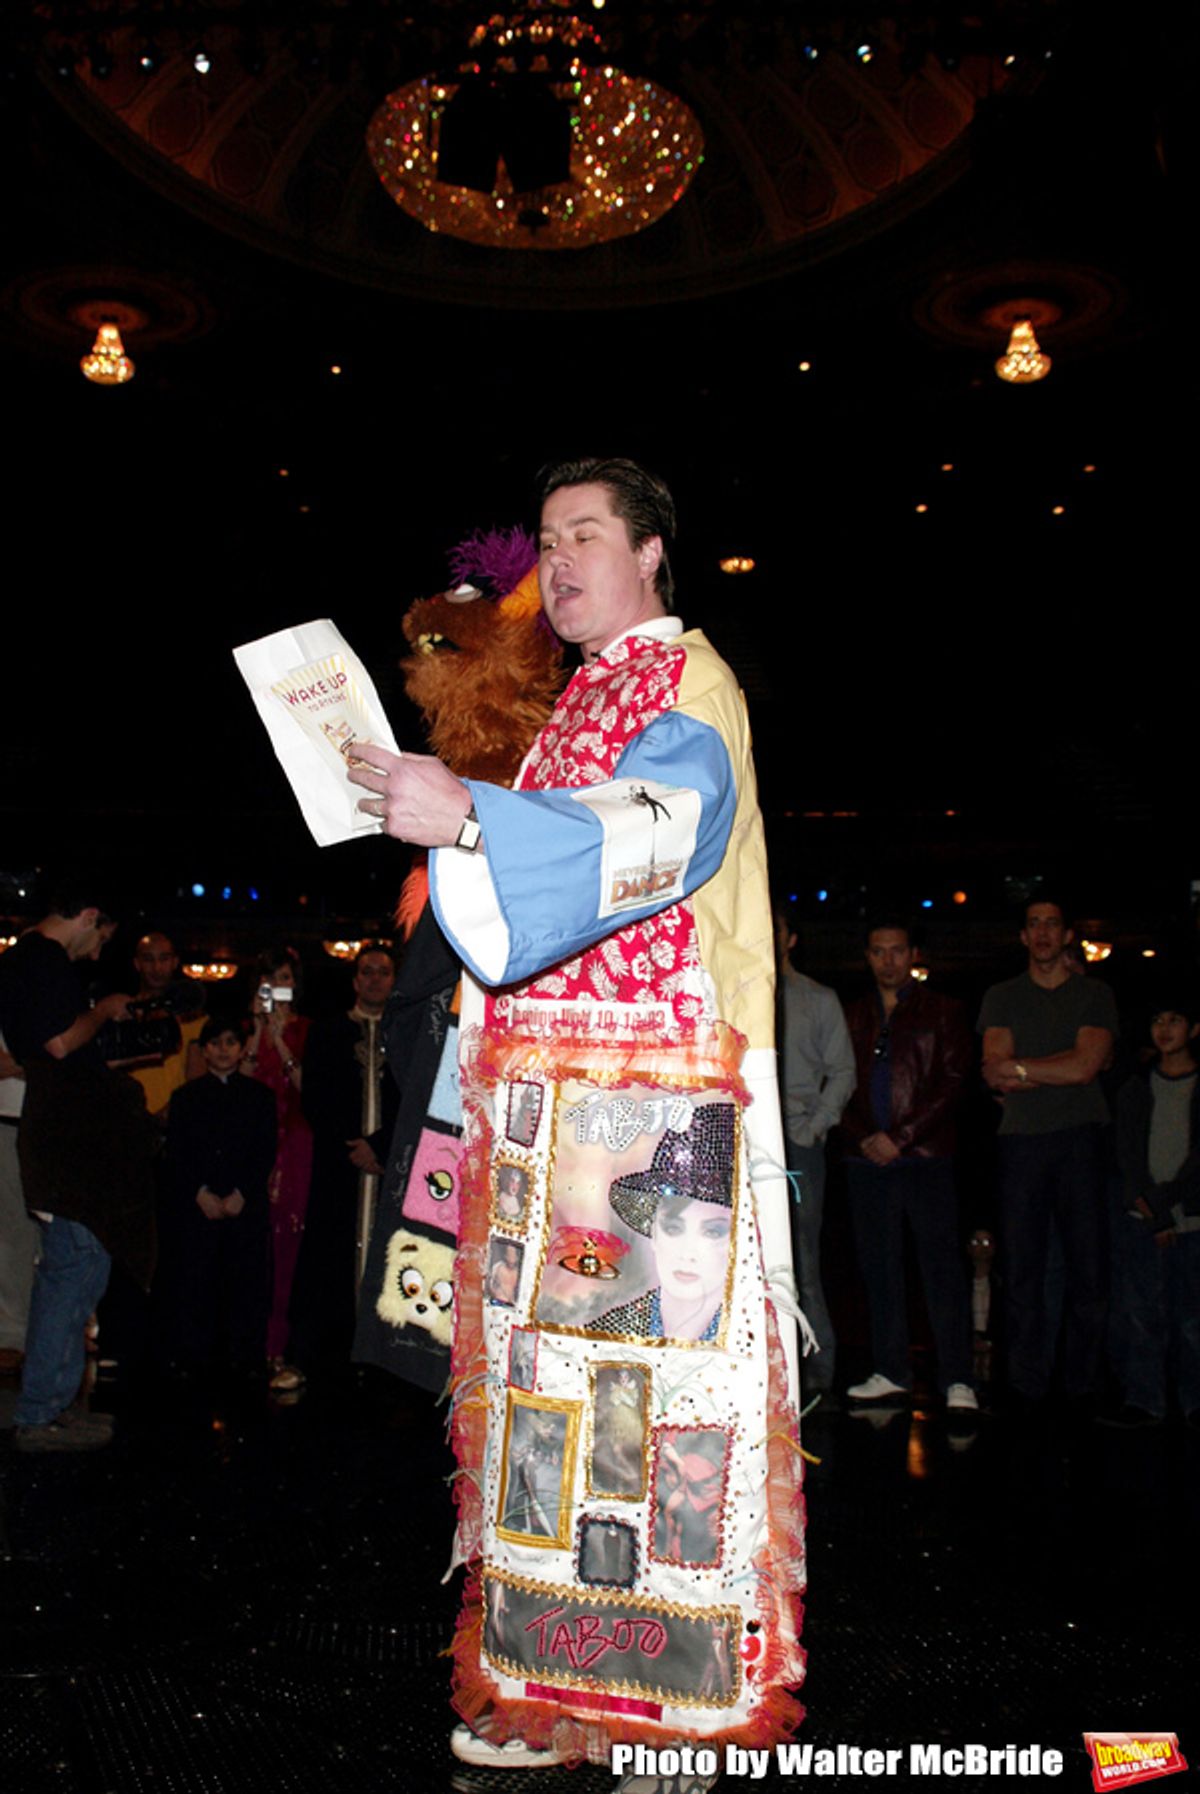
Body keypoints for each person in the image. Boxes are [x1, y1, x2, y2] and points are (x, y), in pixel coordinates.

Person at [348, 457, 803, 1786]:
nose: (561, 561)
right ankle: (555, 1688)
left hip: (654, 1104)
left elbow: (659, 828)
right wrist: (464, 806)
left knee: (663, 1410)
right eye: (547, 541)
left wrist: (475, 816)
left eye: (586, 534)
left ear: (655, 551)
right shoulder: (576, 698)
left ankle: (675, 1701)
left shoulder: (684, 681)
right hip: (555, 1107)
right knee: (554, 1407)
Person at [0, 880, 156, 1451]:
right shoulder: (40, 960)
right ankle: (40, 1414)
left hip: (66, 1140)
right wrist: (104, 1010)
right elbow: (59, 1045)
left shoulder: (27, 960)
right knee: (69, 1277)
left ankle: (54, 1406)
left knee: (78, 1272)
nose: (97, 952)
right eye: (102, 937)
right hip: (67, 1146)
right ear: (89, 913)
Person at [978, 897, 1118, 1409]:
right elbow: (994, 1069)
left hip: (1080, 1139)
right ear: (1023, 937)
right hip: (1021, 1144)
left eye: (1051, 924)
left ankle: (1082, 1385)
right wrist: (1046, 1067)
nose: (1041, 933)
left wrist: (1022, 1068)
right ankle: (1026, 1385)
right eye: (1033, 924)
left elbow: (1086, 1068)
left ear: (1066, 935)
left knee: (1089, 1269)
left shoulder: (1095, 994)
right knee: (1022, 1270)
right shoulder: (1002, 995)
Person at [840, 919, 977, 1411]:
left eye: (897, 951)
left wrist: (900, 1138)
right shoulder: (852, 1013)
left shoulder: (944, 1010)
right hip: (866, 1160)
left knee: (941, 1269)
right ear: (868, 957)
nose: (888, 960)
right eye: (878, 952)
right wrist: (864, 1138)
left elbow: (954, 1082)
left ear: (913, 954)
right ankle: (890, 1370)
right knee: (879, 1270)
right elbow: (835, 1083)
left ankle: (959, 1378)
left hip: (925, 1158)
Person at [288, 944, 398, 1385]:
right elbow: (315, 1097)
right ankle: (325, 1352)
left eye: (383, 972)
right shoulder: (328, 1033)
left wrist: (381, 1146)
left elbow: (414, 1099)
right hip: (340, 1165)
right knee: (328, 1253)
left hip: (389, 1166)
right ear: (355, 980)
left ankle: (386, 1354)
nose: (374, 979)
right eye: (366, 972)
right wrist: (352, 1146)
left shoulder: (407, 1035)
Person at [1103, 995, 1200, 1429]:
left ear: (1193, 1029)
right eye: (1158, 1020)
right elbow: (1127, 1156)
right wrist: (1155, 1213)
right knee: (1141, 1312)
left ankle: (1194, 1401)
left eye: (1175, 1020)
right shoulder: (1136, 1086)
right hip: (1143, 1217)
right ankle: (1145, 1401)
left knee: (1191, 1316)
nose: (1165, 1029)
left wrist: (1170, 1203)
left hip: (1193, 1217)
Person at [161, 1017, 277, 1377]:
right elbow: (177, 1153)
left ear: (243, 1049)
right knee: (197, 1283)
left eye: (231, 1042)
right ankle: (196, 1360)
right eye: (215, 1043)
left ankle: (244, 1360)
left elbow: (265, 1149)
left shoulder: (260, 1097)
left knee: (247, 1285)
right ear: (204, 1050)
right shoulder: (185, 1098)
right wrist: (200, 1193)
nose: (223, 1050)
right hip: (200, 1207)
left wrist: (243, 1192)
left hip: (245, 1206)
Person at [774, 903, 855, 1404]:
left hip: (798, 1141)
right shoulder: (738, 990)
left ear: (791, 938)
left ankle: (819, 1366)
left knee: (803, 1253)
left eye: (776, 926)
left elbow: (843, 1070)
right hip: (748, 1140)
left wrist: (815, 1125)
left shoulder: (817, 999)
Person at [240, 947, 312, 1386]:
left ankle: (279, 1349)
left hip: (298, 1144)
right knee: (253, 1241)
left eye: (284, 979)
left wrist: (282, 1037)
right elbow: (240, 1086)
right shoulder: (244, 1032)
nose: (277, 990)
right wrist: (257, 1032)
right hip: (255, 1147)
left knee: (289, 1242)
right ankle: (248, 1345)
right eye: (269, 982)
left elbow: (308, 1086)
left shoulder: (307, 1030)